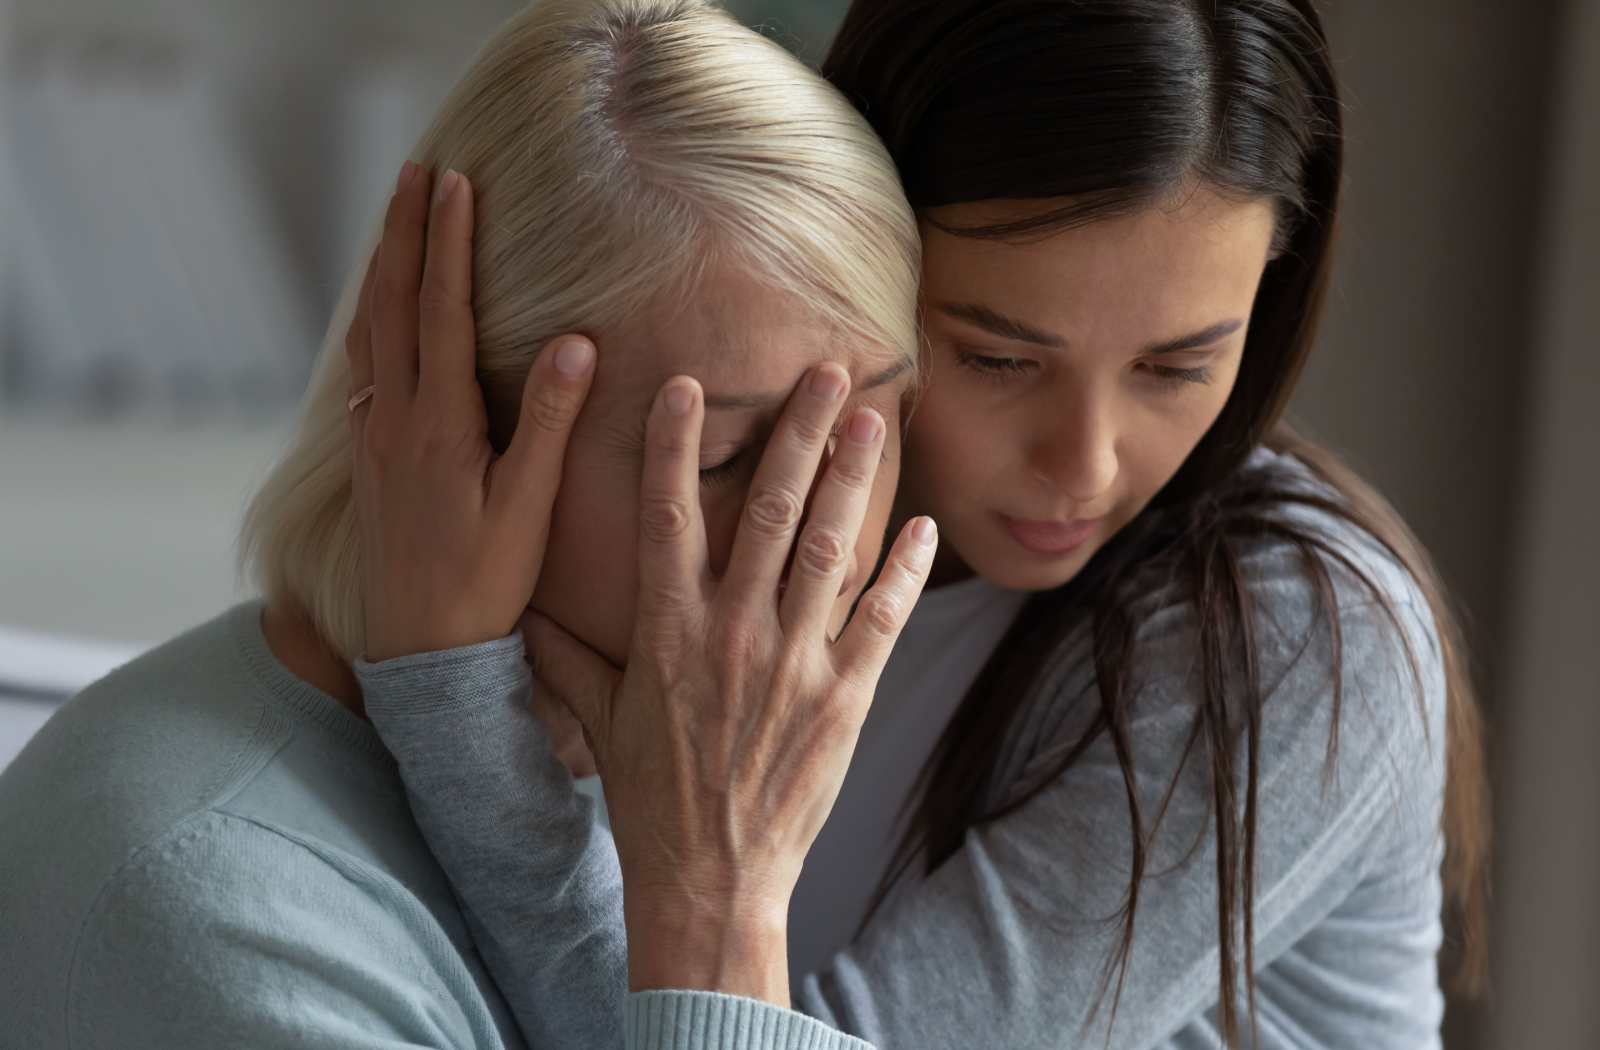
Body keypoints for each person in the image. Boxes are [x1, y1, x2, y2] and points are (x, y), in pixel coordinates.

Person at [354, 1, 1491, 1048]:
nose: (1083, 465)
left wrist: (452, 698)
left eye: (1177, 366)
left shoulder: (1296, 638)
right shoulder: (730, 544)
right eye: (996, 356)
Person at [0, 1, 927, 1047]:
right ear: (448, 430)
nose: (825, 544)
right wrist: (720, 907)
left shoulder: (626, 767)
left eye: (864, 438)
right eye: (720, 461)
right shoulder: (210, 918)